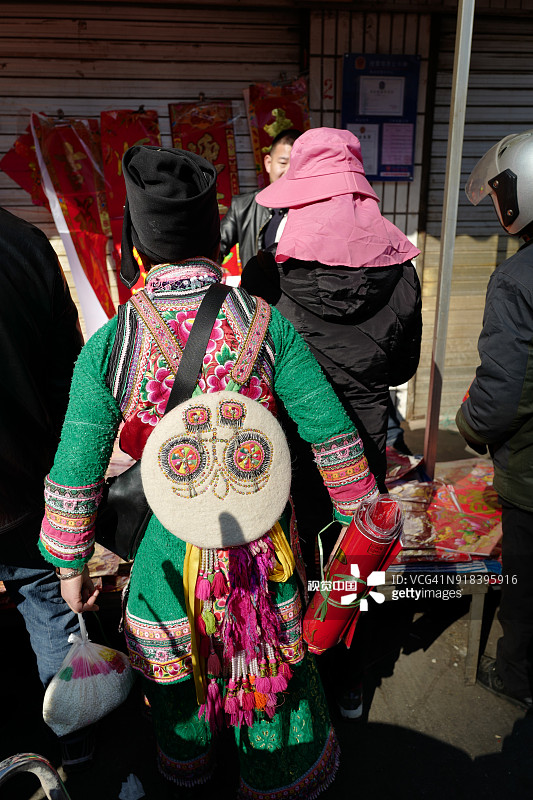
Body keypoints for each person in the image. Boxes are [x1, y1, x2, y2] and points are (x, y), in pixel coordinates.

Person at [39, 145, 380, 799]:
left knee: (175, 682)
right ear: (211, 239)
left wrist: (69, 566)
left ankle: (188, 773)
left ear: (139, 248)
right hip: (261, 547)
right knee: (270, 679)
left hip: (167, 554)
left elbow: (77, 464)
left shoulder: (112, 343)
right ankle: (276, 775)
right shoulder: (265, 325)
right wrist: (358, 522)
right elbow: (332, 435)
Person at [240, 127, 422, 717]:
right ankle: (351, 677)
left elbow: (254, 356)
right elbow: (403, 365)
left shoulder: (268, 272)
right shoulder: (401, 272)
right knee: (356, 560)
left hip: (292, 439)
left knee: (293, 551)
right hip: (366, 437)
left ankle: (301, 673)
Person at [0, 206, 92, 767]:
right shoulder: (26, 243)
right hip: (24, 483)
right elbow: (69, 373)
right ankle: (76, 741)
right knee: (49, 608)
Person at [456, 129, 533, 711]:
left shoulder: (516, 279)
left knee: (526, 588)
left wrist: (470, 424)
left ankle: (515, 675)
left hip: (530, 475)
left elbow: (501, 394)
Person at [219, 128, 301, 269]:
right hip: (253, 291)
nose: (288, 172)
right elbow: (216, 247)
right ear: (268, 163)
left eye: (296, 165)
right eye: (283, 163)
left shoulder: (314, 209)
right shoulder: (243, 206)